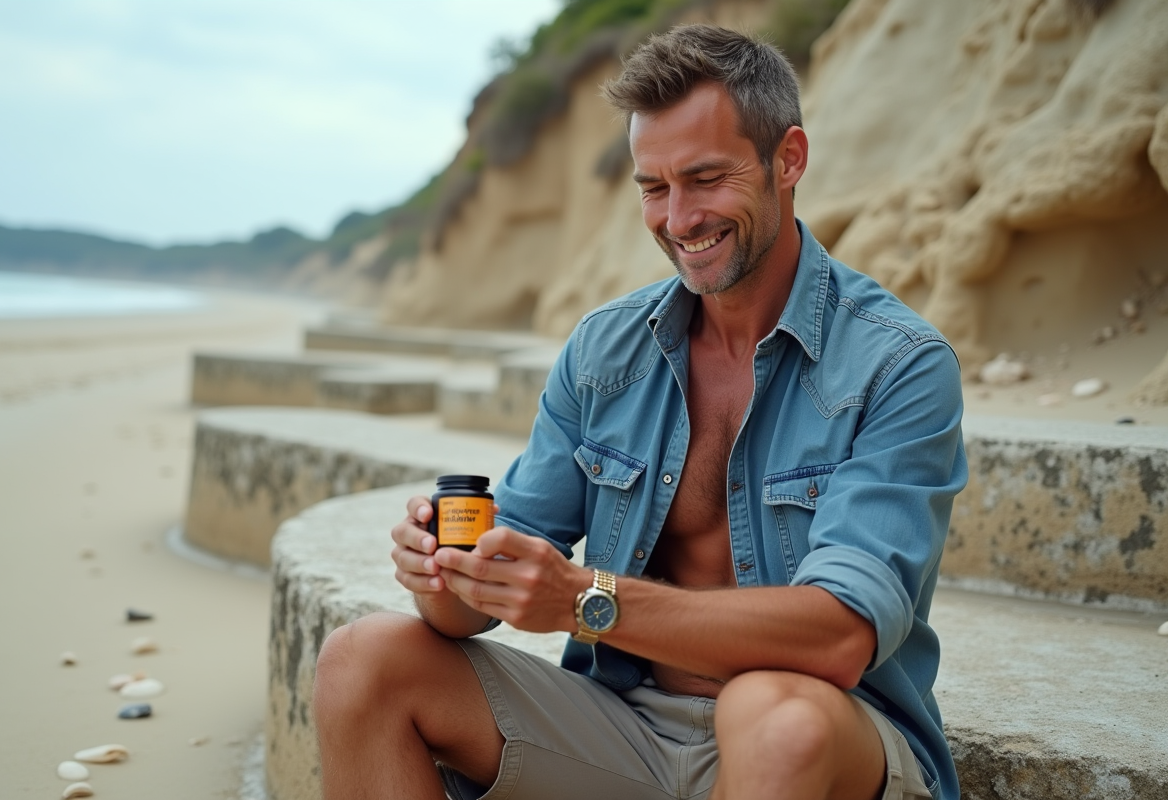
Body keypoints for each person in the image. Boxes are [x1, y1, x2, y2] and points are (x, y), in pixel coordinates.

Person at [313, 24, 967, 800]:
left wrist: (585, 599)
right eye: (653, 188)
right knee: (361, 661)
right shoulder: (605, 351)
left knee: (773, 717)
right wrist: (442, 574)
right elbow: (475, 602)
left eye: (706, 178)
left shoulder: (898, 363)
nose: (678, 219)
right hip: (626, 724)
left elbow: (839, 637)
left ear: (788, 159)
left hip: (824, 732)